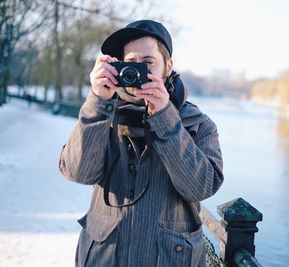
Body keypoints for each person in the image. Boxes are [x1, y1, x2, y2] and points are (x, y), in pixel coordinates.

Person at [59, 19, 224, 267]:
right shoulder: (103, 114)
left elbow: (201, 188)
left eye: (148, 63)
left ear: (167, 67)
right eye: (131, 63)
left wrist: (165, 117)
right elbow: (77, 172)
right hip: (105, 258)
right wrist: (97, 100)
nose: (137, 72)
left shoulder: (198, 124)